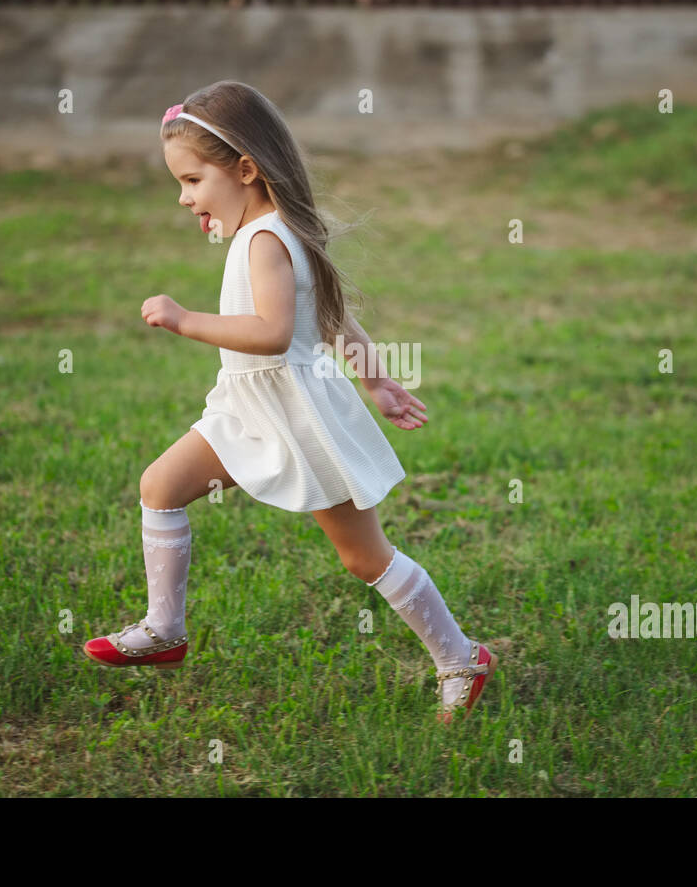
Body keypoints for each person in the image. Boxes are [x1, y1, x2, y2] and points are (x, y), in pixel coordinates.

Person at [82, 81, 496, 723]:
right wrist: (377, 379)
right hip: (243, 409)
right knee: (160, 485)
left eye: (192, 180)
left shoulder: (266, 240)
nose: (184, 197)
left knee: (364, 558)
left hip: (296, 416)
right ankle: (165, 632)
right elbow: (333, 319)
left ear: (245, 169)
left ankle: (461, 658)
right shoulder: (270, 231)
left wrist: (185, 318)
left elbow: (276, 333)